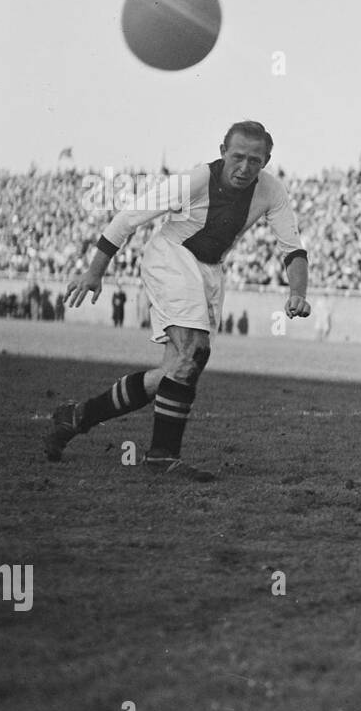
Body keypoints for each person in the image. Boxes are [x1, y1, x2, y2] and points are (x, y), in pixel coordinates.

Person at [43, 121, 310, 479]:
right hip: (171, 257)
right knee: (194, 351)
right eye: (238, 157)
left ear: (267, 160)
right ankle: (161, 456)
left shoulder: (272, 190)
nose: (245, 168)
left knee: (175, 370)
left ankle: (78, 416)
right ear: (222, 152)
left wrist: (298, 293)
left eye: (255, 160)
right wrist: (95, 271)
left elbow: (292, 248)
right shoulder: (196, 181)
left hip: (211, 272)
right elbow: (129, 217)